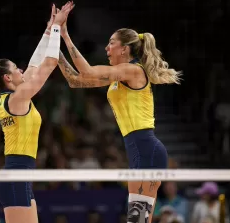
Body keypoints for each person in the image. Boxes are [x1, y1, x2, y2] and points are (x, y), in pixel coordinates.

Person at [57, 13, 182, 223]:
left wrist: (66, 36)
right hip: (136, 150)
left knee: (139, 220)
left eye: (111, 43)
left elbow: (86, 72)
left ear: (124, 49)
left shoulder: (133, 70)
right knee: (138, 220)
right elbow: (75, 81)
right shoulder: (119, 76)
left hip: (147, 150)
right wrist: (54, 49)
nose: (106, 48)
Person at [0, 2, 74, 223]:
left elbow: (35, 64)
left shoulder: (14, 96)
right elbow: (50, 63)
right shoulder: (17, 99)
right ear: (7, 78)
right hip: (16, 176)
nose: (22, 70)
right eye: (16, 68)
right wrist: (57, 28)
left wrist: (48, 30)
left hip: (21, 177)